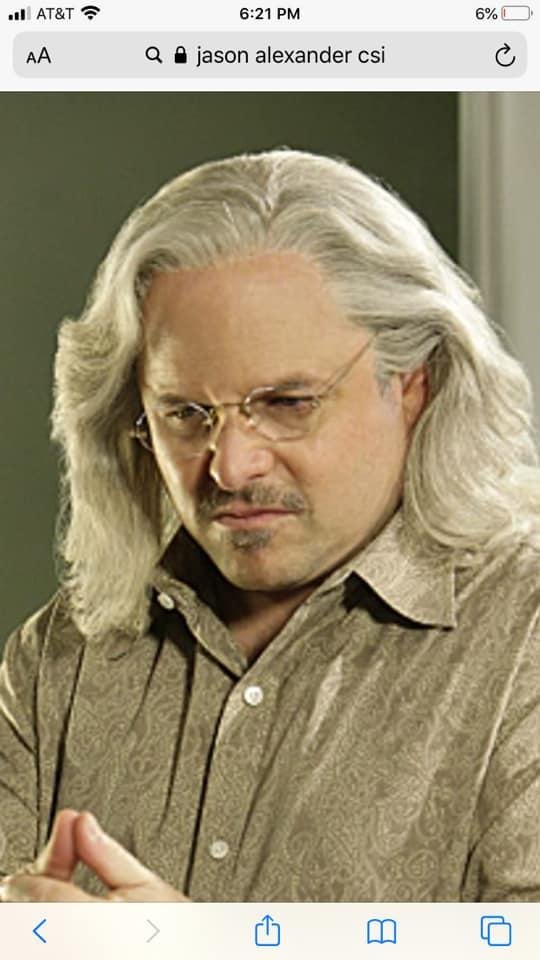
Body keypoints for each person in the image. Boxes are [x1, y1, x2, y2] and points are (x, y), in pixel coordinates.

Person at [0, 149, 539, 904]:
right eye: (186, 414)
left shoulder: (525, 634)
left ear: (414, 385)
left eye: (287, 404)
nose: (230, 467)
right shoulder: (56, 660)